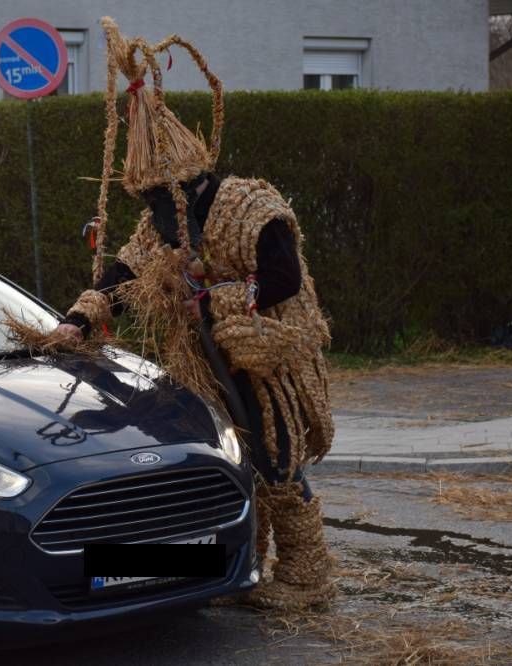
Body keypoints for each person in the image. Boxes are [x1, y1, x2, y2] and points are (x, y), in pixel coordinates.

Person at [46, 17, 336, 609]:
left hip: (264, 357)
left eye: (157, 199)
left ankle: (308, 577)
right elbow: (123, 274)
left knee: (275, 458)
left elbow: (283, 280)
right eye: (147, 202)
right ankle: (240, 568)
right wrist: (78, 318)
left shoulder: (250, 207)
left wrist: (210, 295)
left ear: (186, 186)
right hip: (206, 362)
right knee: (232, 461)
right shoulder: (160, 225)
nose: (151, 212)